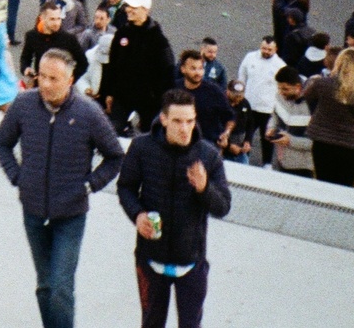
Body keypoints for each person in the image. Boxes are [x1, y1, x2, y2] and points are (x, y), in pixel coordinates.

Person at [0, 49, 125, 328]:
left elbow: (115, 156)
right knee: (44, 286)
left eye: (54, 78)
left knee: (60, 288)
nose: (45, 84)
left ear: (70, 80)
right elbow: (1, 142)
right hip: (33, 211)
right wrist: (18, 177)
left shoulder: (88, 113)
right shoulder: (24, 104)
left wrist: (90, 185)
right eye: (42, 76)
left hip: (70, 215)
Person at [116, 90, 231, 328]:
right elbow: (125, 187)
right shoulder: (141, 148)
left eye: (190, 121)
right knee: (151, 323)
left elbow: (223, 206)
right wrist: (137, 215)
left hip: (191, 261)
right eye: (178, 121)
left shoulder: (208, 156)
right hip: (150, 258)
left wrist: (204, 188)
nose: (185, 128)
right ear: (164, 119)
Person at [100, 0, 176, 135]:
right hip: (122, 95)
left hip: (148, 101)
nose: (128, 10)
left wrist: (162, 102)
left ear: (145, 10)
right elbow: (112, 65)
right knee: (110, 132)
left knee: (150, 136)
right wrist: (108, 92)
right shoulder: (122, 33)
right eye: (128, 6)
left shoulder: (158, 40)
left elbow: (167, 72)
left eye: (134, 7)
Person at [301, 48, 354, 187]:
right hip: (351, 144)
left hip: (322, 140)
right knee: (344, 186)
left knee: (323, 183)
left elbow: (307, 98)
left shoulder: (322, 84)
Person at [236, 37, 287, 166]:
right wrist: (240, 95)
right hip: (249, 105)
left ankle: (267, 163)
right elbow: (242, 75)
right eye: (264, 48)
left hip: (268, 108)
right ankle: (243, 159)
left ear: (275, 49)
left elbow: (282, 89)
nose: (266, 51)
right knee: (245, 135)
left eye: (269, 49)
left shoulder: (280, 65)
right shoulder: (250, 57)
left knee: (267, 137)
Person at [21, 1, 89, 82]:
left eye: (58, 19)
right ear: (42, 18)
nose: (56, 23)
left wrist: (69, 79)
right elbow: (25, 58)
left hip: (61, 87)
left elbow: (83, 63)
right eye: (52, 19)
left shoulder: (68, 39)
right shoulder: (32, 36)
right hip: (40, 84)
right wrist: (26, 68)